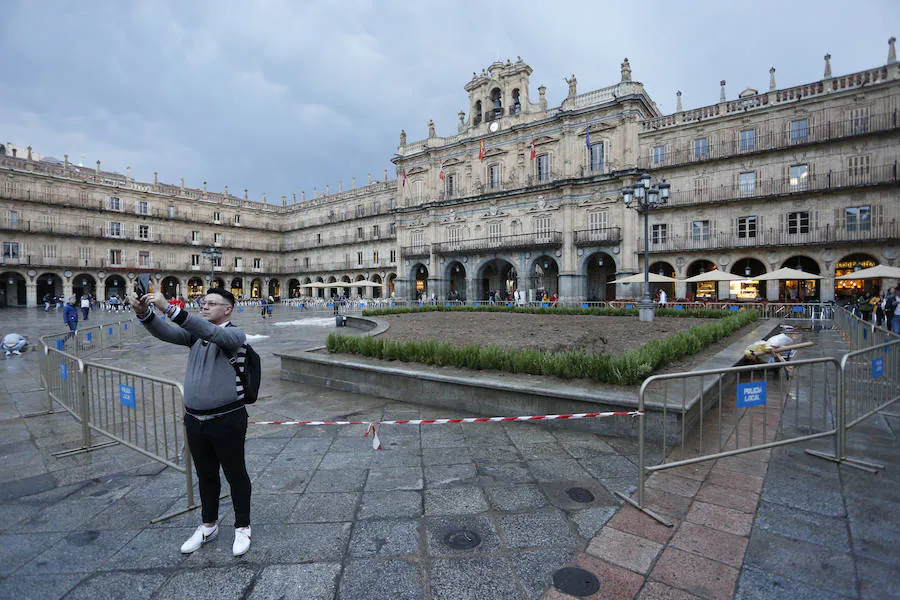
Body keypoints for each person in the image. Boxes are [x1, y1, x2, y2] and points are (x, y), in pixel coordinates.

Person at [128, 288, 252, 557]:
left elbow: (212, 333)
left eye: (211, 304)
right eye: (203, 303)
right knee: (205, 475)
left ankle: (242, 526)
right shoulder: (195, 336)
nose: (204, 307)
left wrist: (170, 308)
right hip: (195, 419)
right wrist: (144, 312)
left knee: (235, 474)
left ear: (228, 309)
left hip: (227, 418)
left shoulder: (234, 336)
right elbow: (166, 332)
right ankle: (208, 525)